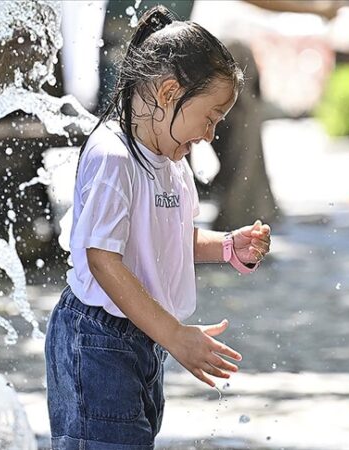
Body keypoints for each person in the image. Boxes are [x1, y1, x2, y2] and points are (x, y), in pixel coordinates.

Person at [44, 6, 272, 449]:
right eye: (209, 117)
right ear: (169, 92)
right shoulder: (114, 156)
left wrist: (228, 247)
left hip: (143, 338)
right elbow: (102, 258)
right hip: (97, 338)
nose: (209, 135)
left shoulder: (171, 161)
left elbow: (168, 239)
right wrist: (175, 336)